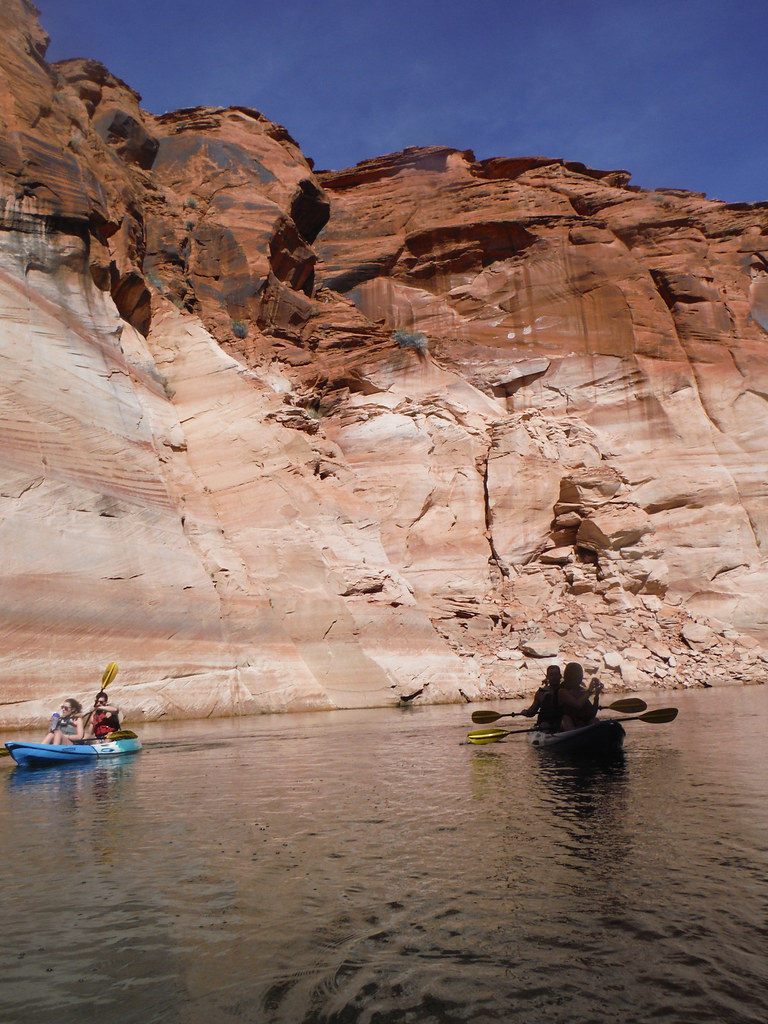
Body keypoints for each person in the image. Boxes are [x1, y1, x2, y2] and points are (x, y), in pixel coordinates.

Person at [558, 662, 603, 731]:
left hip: (583, 721)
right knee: (566, 719)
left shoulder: (582, 690)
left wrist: (596, 695)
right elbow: (577, 704)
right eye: (579, 674)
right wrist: (589, 691)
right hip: (569, 724)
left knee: (595, 720)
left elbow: (592, 714)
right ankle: (574, 737)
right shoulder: (562, 691)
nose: (581, 676)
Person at [520, 665, 562, 732]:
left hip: (561, 721)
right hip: (546, 722)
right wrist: (526, 712)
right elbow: (533, 711)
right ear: (547, 677)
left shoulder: (566, 690)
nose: (554, 677)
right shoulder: (541, 693)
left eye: (556, 674)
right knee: (545, 726)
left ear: (560, 676)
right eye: (551, 675)